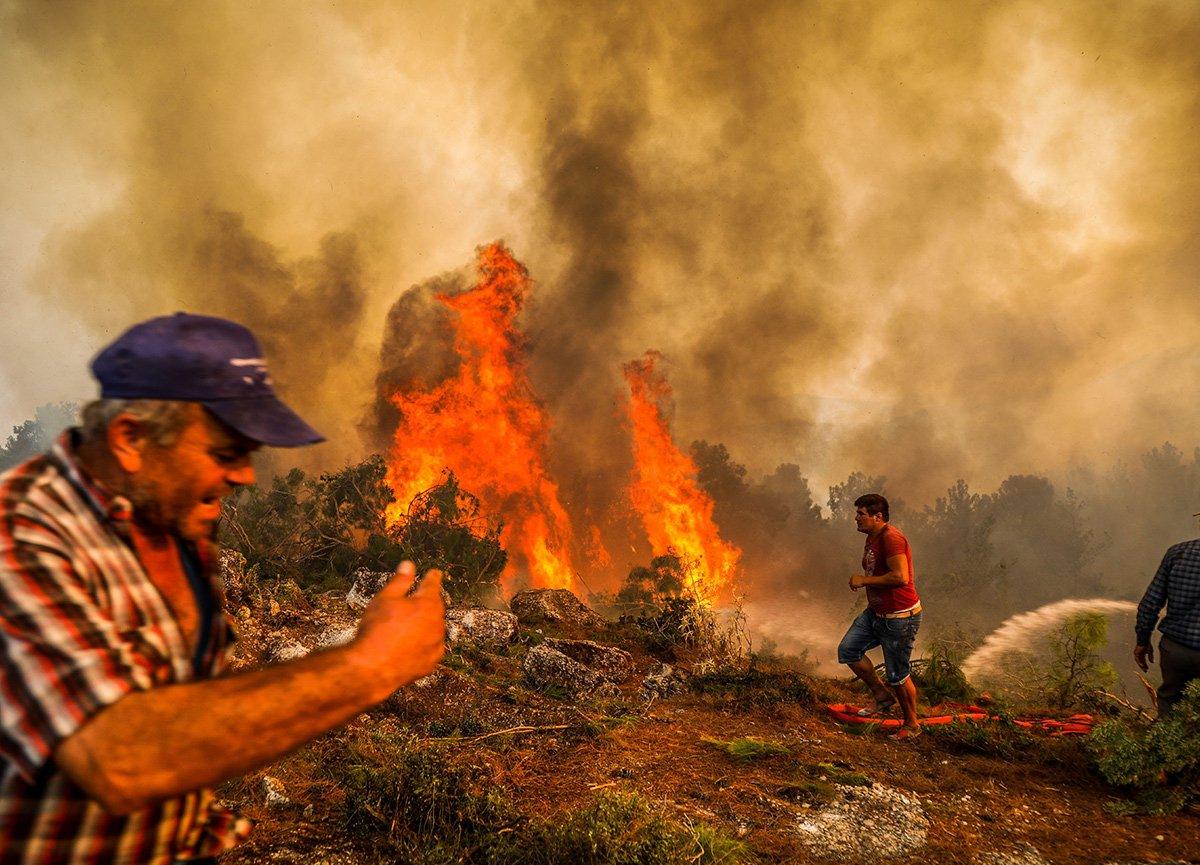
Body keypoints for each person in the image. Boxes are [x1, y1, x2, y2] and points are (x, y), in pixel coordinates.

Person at [0, 313, 447, 864]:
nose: (246, 477)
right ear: (131, 439)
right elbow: (119, 760)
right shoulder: (19, 534)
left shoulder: (174, 519)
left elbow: (183, 720)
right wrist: (371, 665)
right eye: (224, 454)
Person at [836, 493, 923, 740]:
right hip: (876, 613)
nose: (856, 518)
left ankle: (912, 725)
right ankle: (882, 698)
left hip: (899, 617)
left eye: (861, 514)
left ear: (879, 517)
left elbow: (900, 577)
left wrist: (863, 580)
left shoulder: (892, 539)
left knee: (897, 674)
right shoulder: (872, 537)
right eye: (857, 513)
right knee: (848, 650)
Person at [1134, 522, 1200, 717]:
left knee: (1170, 703)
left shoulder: (1178, 553)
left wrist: (1142, 641)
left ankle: (1165, 746)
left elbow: (1151, 603)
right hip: (1177, 646)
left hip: (1176, 650)